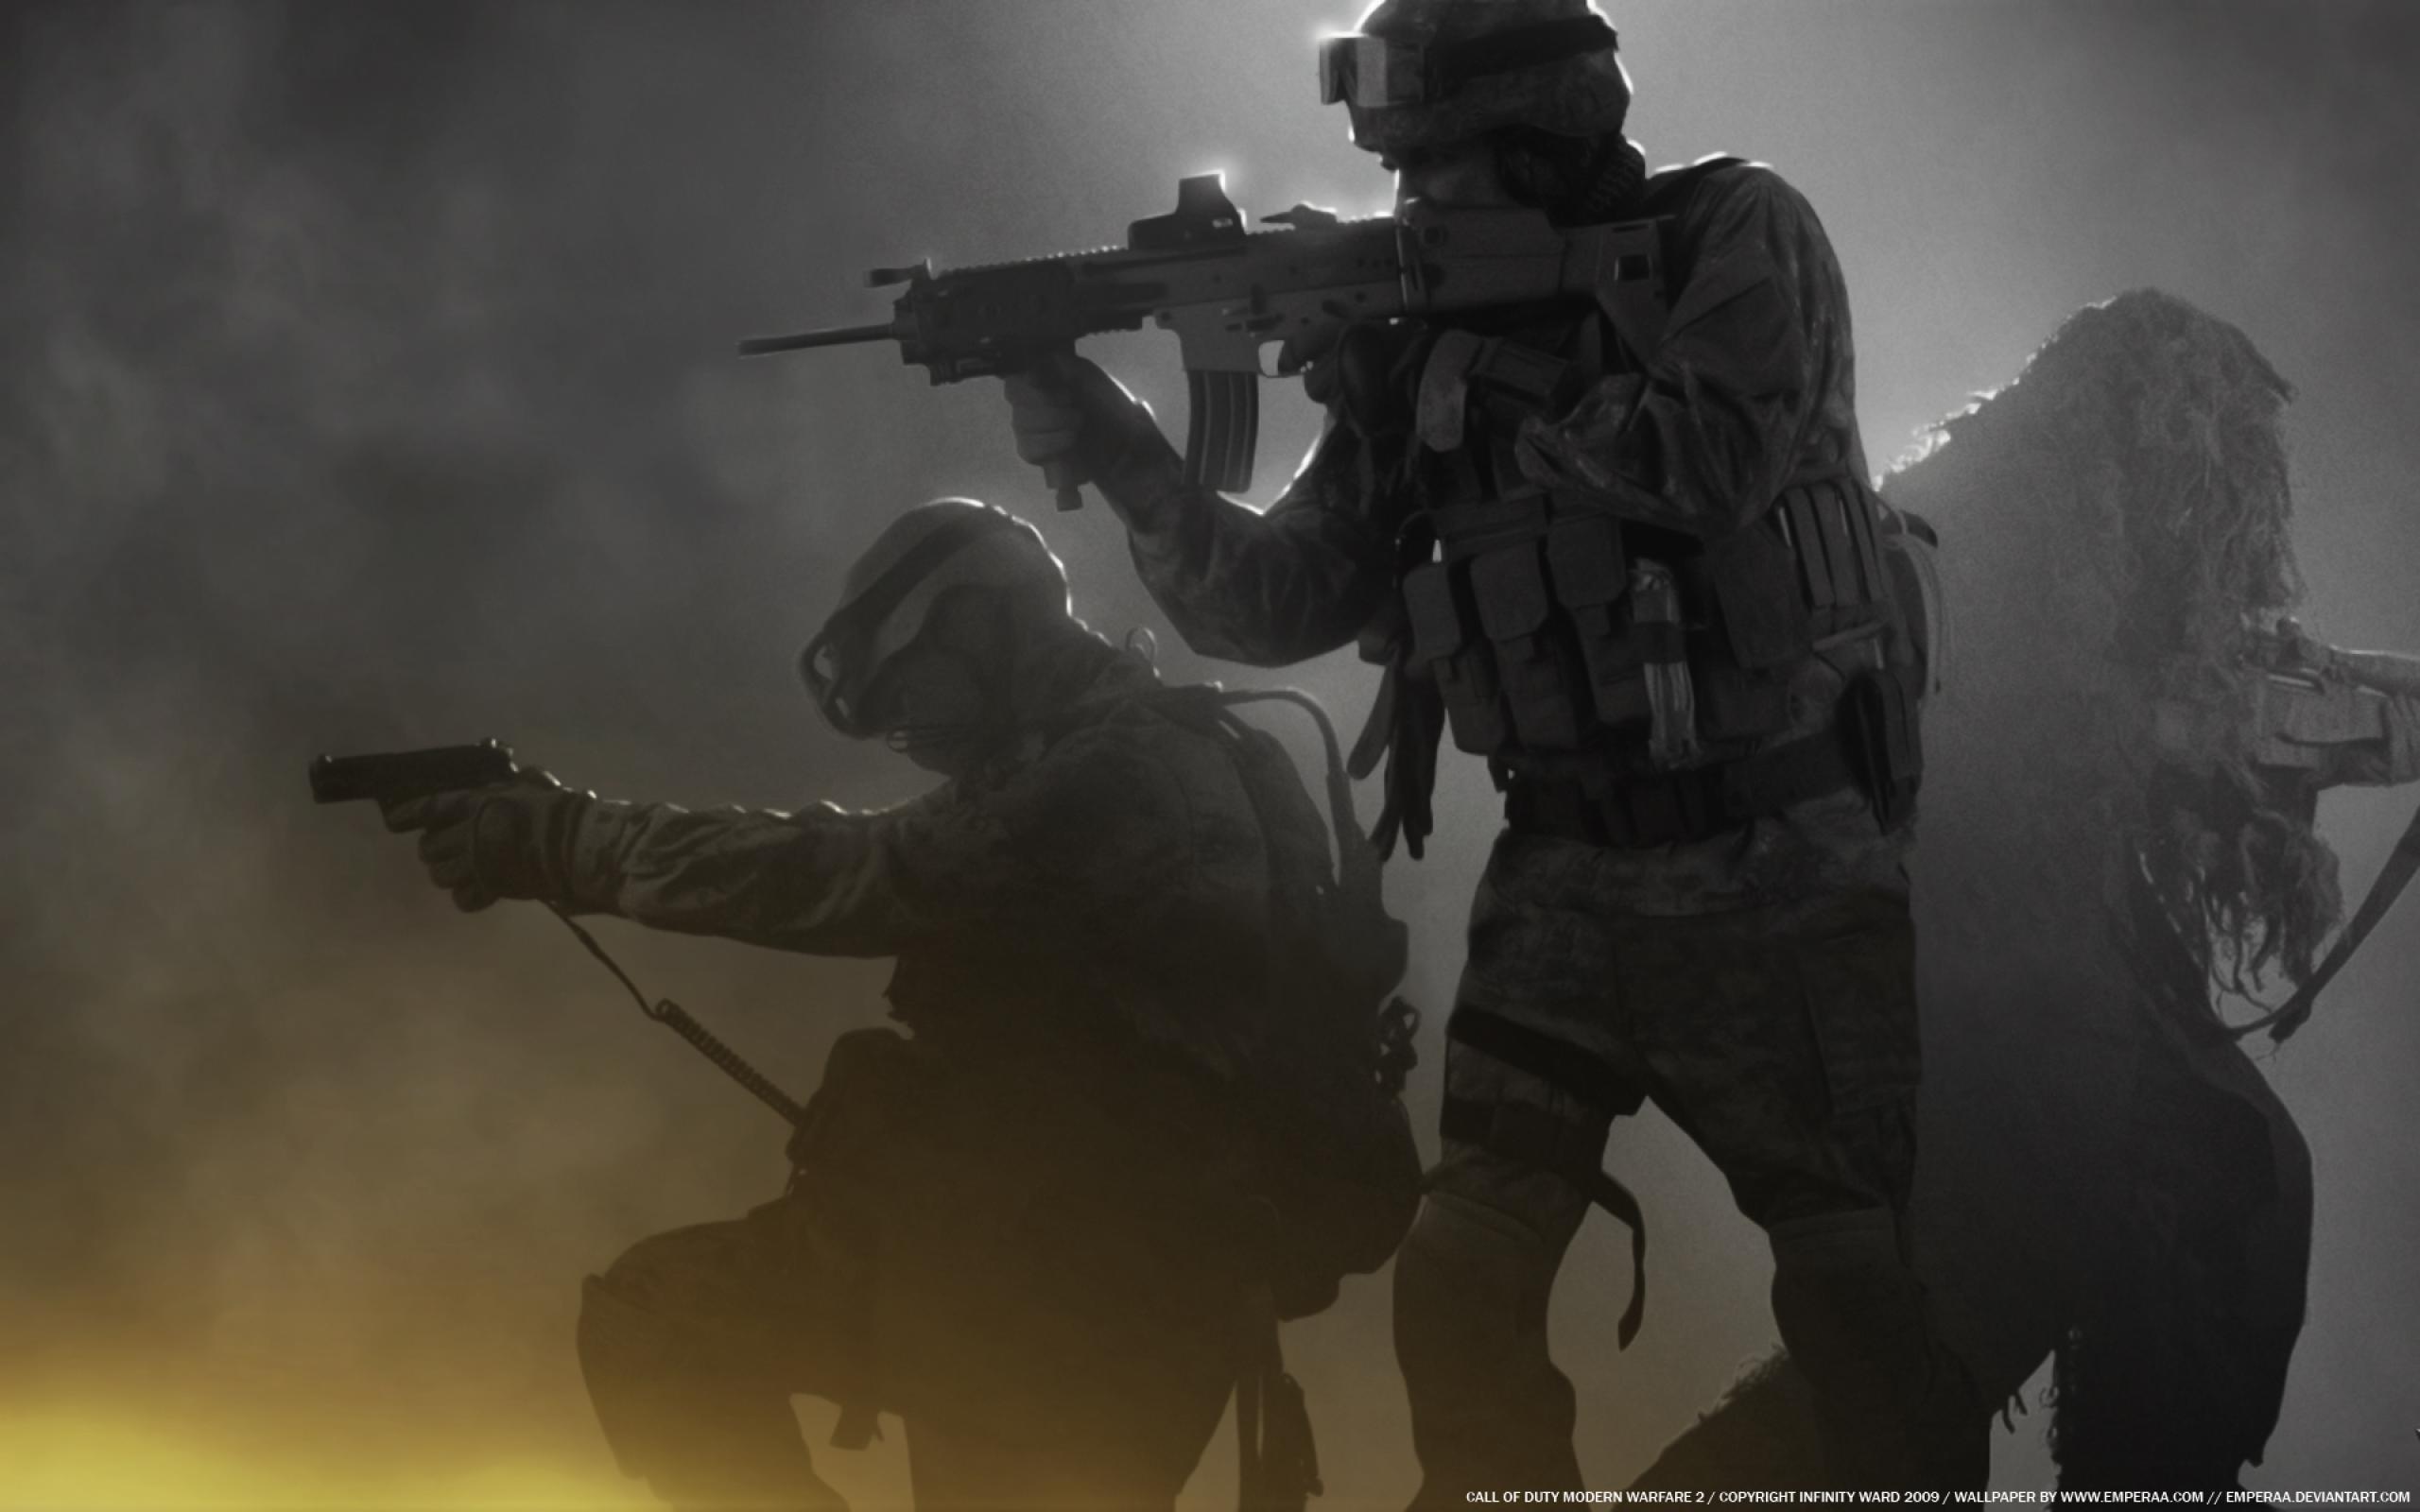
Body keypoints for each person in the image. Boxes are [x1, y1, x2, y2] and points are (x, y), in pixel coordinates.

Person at [998, 0, 1979, 1494]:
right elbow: (1277, 604)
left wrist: (1455, 354)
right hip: (1563, 883)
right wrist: (1123, 449)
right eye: (1397, 174)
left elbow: (1702, 465)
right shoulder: (1422, 348)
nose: (1406, 203)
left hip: (1779, 861)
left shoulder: (1733, 231)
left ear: (1543, 137)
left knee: (1853, 1305)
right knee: (1458, 1284)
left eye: (1434, 169)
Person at [377, 499, 1416, 1510]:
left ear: (980, 618)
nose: (903, 730)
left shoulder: (1114, 776)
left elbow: (847, 871)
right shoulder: (1180, 748)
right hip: (1112, 1286)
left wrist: (563, 841)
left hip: (1058, 1282)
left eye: (909, 682)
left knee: (660, 1321)